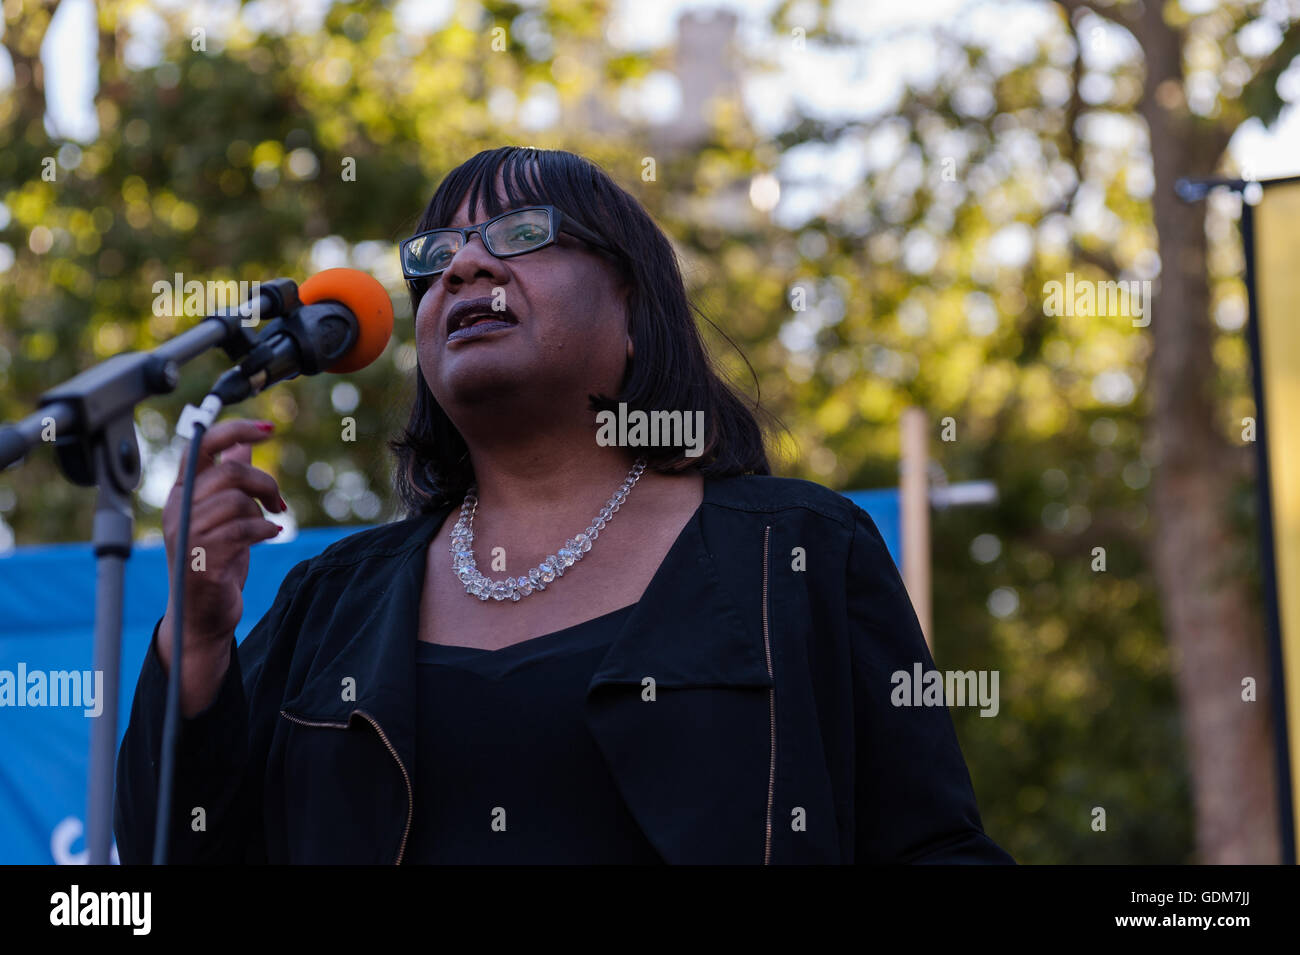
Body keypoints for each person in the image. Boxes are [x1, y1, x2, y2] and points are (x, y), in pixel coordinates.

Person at [114, 145, 1013, 864]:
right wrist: (195, 638)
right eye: (436, 259)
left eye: (517, 233)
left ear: (632, 308)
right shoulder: (328, 603)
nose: (463, 265)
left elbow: (934, 847)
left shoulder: (799, 553)